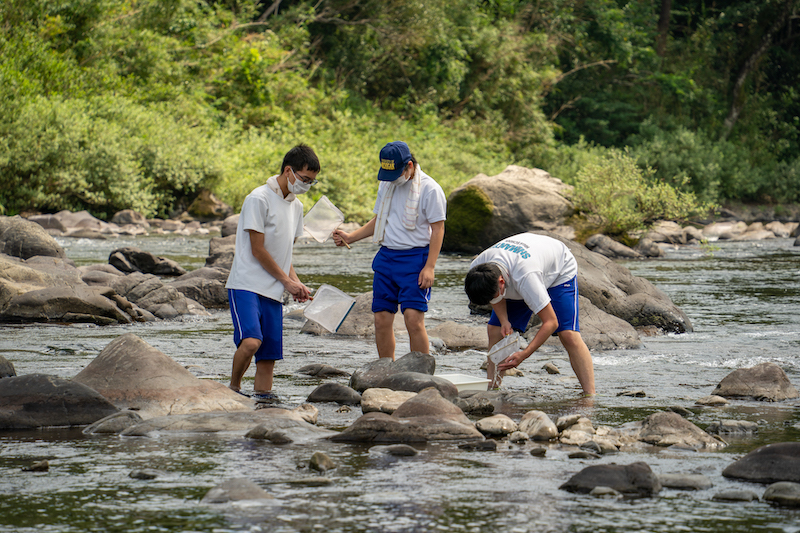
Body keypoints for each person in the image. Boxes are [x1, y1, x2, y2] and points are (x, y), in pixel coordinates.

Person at [332, 141, 446, 360]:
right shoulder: (387, 184)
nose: (392, 178)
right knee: (381, 318)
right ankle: (386, 368)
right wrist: (352, 237)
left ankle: (420, 372)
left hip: (415, 259)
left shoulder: (430, 189)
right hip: (387, 257)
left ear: (409, 166)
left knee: (413, 318)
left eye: (395, 173)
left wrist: (430, 266)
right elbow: (380, 220)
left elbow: (438, 228)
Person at [224, 144, 319, 402]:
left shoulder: (296, 206)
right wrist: (287, 282)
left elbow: (284, 254)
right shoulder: (259, 198)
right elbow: (258, 250)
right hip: (247, 283)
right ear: (289, 171)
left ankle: (264, 405)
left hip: (274, 290)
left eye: (312, 181)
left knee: (268, 358)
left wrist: (297, 284)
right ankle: (233, 391)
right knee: (252, 342)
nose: (308, 185)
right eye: (305, 179)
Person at [463, 233, 596, 395]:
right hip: (523, 263)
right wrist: (504, 320)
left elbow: (551, 322)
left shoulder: (526, 276)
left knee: (568, 334)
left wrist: (524, 354)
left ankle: (590, 396)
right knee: (495, 329)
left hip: (557, 271)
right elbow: (495, 297)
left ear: (501, 283)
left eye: (494, 295)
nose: (493, 300)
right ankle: (493, 389)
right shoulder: (478, 270)